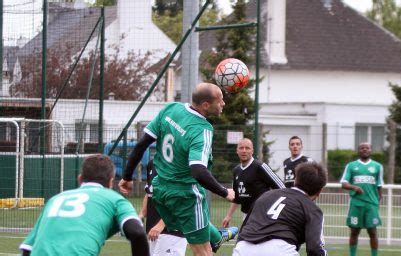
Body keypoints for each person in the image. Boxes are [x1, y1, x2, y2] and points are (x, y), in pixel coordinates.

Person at [118, 83, 237, 256]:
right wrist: (224, 192)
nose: (224, 104)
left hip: (160, 189)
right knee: (203, 251)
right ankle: (217, 237)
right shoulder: (202, 129)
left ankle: (216, 236)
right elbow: (198, 170)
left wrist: (127, 176)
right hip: (185, 194)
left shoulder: (171, 109)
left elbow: (142, 144)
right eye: (220, 101)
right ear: (205, 105)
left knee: (193, 230)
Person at [19, 154, 149, 256]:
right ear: (110, 183)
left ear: (80, 179)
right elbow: (137, 233)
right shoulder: (115, 199)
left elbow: (27, 249)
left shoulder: (55, 199)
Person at [233, 162, 328, 256]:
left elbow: (244, 227)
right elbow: (315, 249)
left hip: (243, 248)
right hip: (280, 250)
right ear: (320, 191)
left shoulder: (266, 195)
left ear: (295, 180)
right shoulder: (313, 210)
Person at [222, 138, 285, 227]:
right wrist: (228, 216)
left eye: (247, 148)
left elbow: (281, 187)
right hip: (246, 215)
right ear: (237, 151)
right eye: (241, 148)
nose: (244, 151)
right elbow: (236, 197)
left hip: (263, 215)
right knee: (244, 239)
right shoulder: (236, 170)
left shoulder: (260, 167)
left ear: (252, 151)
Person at [340, 142, 384, 256]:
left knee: (372, 231)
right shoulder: (351, 166)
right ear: (358, 151)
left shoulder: (377, 166)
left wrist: (378, 202)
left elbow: (379, 186)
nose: (365, 149)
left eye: (367, 148)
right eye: (362, 148)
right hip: (356, 203)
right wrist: (354, 187)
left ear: (371, 150)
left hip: (371, 204)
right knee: (354, 231)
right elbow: (344, 183)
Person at [140, 159, 188, 256]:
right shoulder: (152, 162)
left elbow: (179, 198)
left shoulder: (178, 162)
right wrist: (141, 214)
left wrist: (161, 224)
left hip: (172, 231)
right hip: (153, 231)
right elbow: (149, 192)